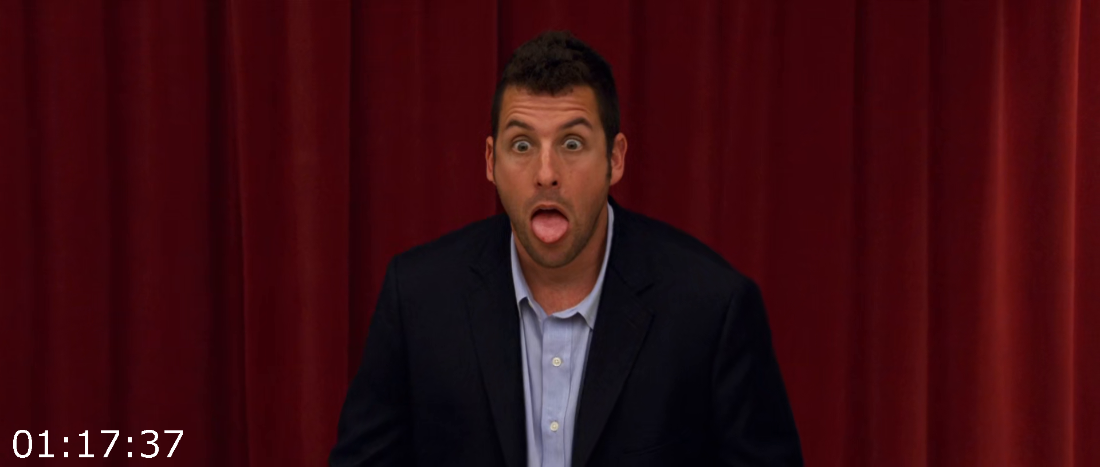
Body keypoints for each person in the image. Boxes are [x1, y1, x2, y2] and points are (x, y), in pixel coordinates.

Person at [330, 30, 803, 467]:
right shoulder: (418, 298)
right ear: (491, 162)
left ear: (615, 159)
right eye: (521, 146)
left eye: (572, 144)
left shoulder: (713, 307)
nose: (546, 174)